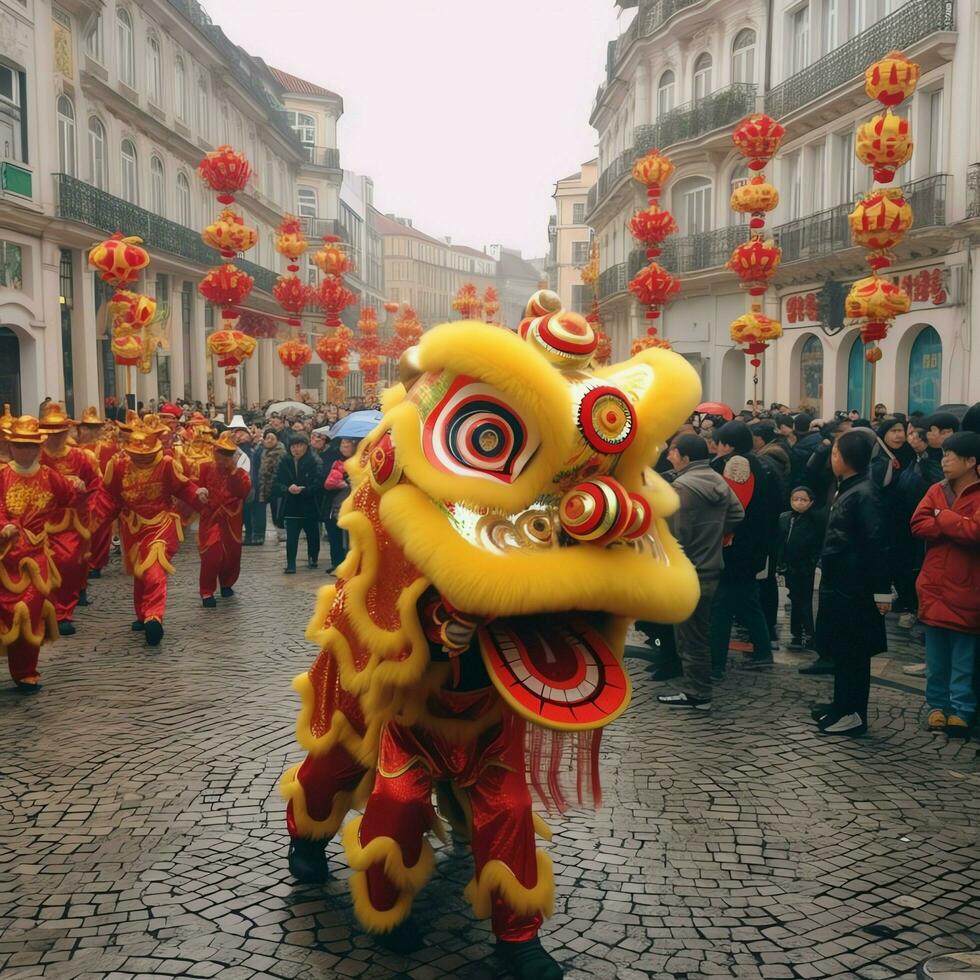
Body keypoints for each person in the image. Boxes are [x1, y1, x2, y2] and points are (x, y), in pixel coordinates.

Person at [810, 431, 891, 736]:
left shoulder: (866, 493)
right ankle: (839, 705)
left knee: (854, 653)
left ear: (848, 458)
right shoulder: (847, 488)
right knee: (841, 650)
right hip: (839, 583)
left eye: (835, 453)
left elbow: (877, 543)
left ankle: (853, 713)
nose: (832, 458)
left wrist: (882, 591)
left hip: (855, 587)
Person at [656, 435, 743, 710]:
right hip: (711, 565)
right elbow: (737, 514)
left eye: (673, 452)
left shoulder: (682, 486)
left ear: (685, 458)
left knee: (689, 636)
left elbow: (677, 534)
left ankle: (698, 693)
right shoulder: (717, 478)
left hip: (688, 569)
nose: (669, 456)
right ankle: (698, 689)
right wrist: (714, 534)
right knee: (699, 631)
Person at [102, 426, 207, 646]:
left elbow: (183, 486)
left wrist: (197, 492)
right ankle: (142, 612)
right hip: (133, 525)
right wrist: (94, 520)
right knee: (140, 569)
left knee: (155, 565)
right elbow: (109, 496)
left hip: (162, 521)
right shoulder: (119, 465)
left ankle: (154, 616)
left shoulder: (166, 464)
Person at [0, 416, 81, 692]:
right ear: (11, 447)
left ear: (38, 448)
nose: (25, 451)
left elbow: (69, 497)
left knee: (31, 608)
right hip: (6, 556)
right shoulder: (2, 476)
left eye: (30, 446)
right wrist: (4, 526)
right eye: (19, 446)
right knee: (6, 613)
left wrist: (77, 487)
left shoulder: (48, 475)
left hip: (36, 554)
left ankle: (25, 670)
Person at [910, 431, 980, 737]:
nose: (945, 460)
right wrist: (952, 522)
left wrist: (942, 517)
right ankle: (937, 707)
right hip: (934, 584)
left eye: (952, 455)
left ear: (971, 461)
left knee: (963, 657)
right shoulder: (936, 489)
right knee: (936, 657)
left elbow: (975, 532)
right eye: (945, 454)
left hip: (967, 587)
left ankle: (961, 709)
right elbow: (917, 524)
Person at [708, 421, 773, 674]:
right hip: (752, 546)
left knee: (721, 605)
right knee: (747, 601)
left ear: (729, 444)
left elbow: (734, 508)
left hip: (737, 547)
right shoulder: (754, 461)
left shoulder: (738, 465)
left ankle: (715, 663)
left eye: (719, 442)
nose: (715, 446)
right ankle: (763, 651)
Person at [38, 402, 101, 635]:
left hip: (72, 520)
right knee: (41, 566)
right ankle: (47, 611)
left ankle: (64, 611)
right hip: (40, 519)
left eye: (59, 432)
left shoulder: (80, 457)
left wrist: (90, 508)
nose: (54, 437)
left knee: (67, 563)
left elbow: (96, 485)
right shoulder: (37, 455)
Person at [196, 432, 251, 607]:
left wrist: (233, 472)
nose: (223, 458)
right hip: (210, 517)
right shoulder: (204, 467)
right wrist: (199, 493)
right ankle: (207, 592)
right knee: (211, 554)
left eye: (227, 454)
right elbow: (194, 487)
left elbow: (243, 492)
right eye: (220, 453)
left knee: (232, 555)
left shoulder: (240, 473)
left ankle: (227, 583)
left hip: (231, 518)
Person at [777, 487, 824, 660]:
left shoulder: (816, 520)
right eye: (795, 499)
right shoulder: (784, 518)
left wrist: (812, 563)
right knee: (795, 599)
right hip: (788, 565)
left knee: (803, 600)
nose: (799, 502)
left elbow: (818, 544)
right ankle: (796, 632)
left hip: (804, 566)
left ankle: (809, 633)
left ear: (811, 501)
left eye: (803, 500)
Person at [273, 431, 321, 573]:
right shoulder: (284, 461)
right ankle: (291, 563)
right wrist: (287, 488)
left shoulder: (313, 461)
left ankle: (313, 558)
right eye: (293, 446)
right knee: (292, 536)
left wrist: (304, 490)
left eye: (300, 446)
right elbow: (277, 482)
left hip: (309, 504)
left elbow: (318, 483)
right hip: (291, 505)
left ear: (306, 446)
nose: (296, 449)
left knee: (312, 534)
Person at [323, 437, 355, 573]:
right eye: (343, 444)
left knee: (350, 538)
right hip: (336, 503)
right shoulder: (336, 461)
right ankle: (337, 563)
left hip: (354, 504)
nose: (345, 446)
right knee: (335, 535)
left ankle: (350, 564)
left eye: (348, 444)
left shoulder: (360, 461)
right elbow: (327, 483)